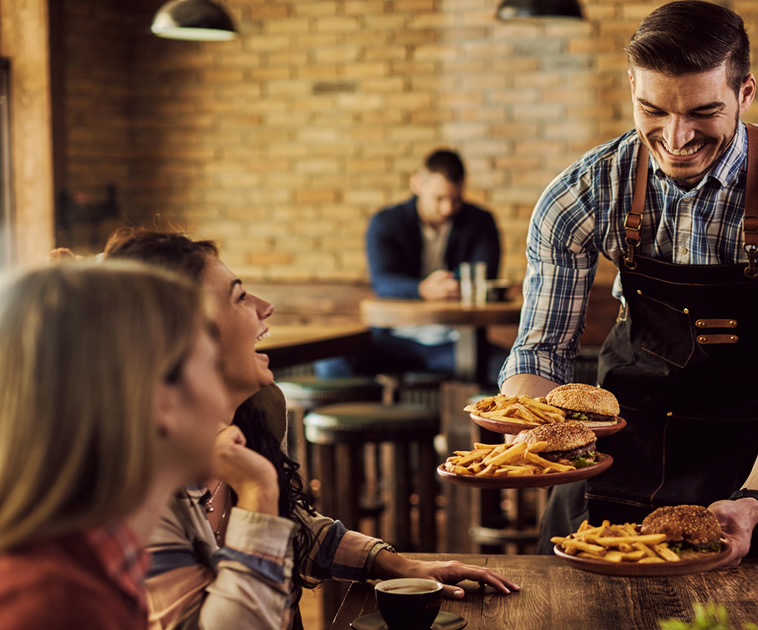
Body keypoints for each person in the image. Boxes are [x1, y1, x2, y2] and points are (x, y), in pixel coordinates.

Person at [499, 0, 758, 564]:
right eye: (652, 110)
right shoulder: (584, 192)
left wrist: (754, 500)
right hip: (610, 463)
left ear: (745, 93)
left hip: (744, 477)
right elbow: (540, 352)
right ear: (631, 87)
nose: (676, 137)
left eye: (703, 112)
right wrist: (530, 430)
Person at [104, 229, 518, 630]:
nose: (265, 307)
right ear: (184, 339)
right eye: (239, 297)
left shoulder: (254, 417)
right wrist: (258, 489)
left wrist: (398, 565)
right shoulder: (133, 492)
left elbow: (291, 525)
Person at [0, 262, 226, 629]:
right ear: (159, 398)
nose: (222, 399)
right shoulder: (55, 607)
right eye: (213, 366)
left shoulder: (90, 568)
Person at [316, 148, 507, 381]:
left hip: (458, 341)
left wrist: (450, 285)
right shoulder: (386, 222)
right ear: (418, 185)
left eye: (455, 199)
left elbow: (484, 276)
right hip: (395, 340)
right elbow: (383, 281)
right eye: (439, 198)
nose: (447, 208)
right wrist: (422, 289)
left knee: (512, 372)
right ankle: (376, 416)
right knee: (331, 363)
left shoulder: (480, 221)